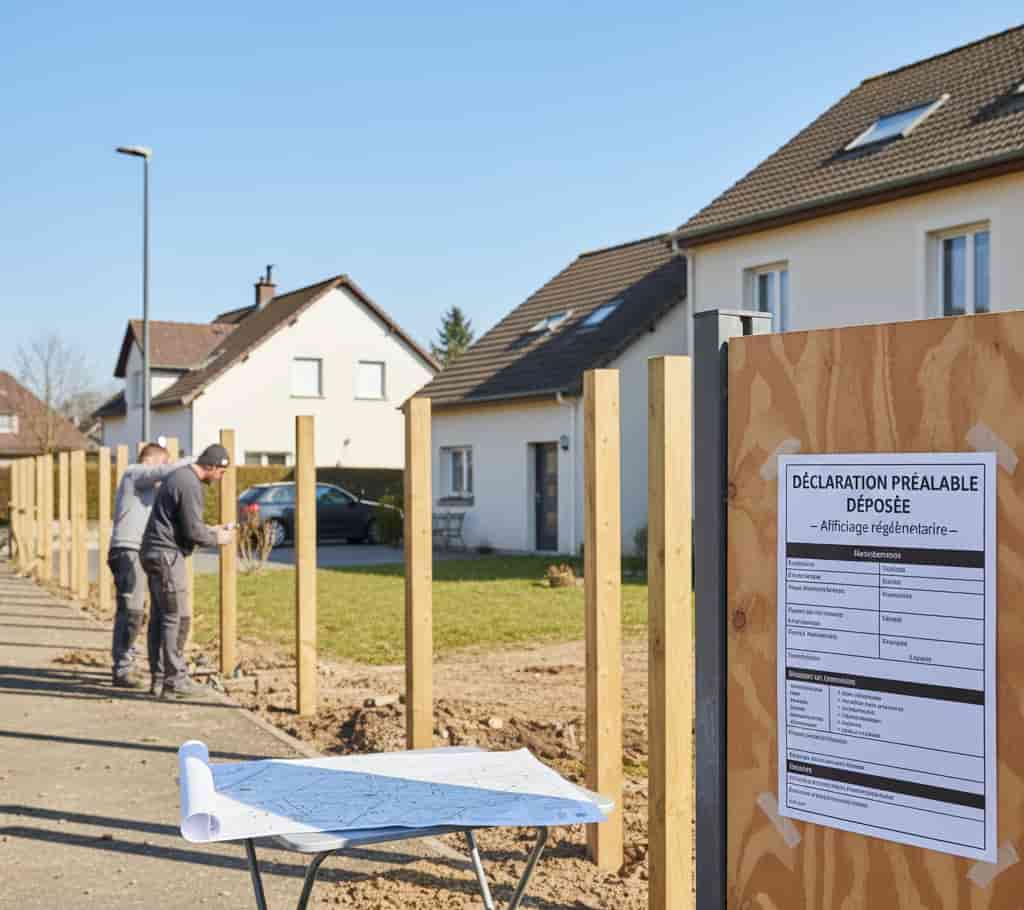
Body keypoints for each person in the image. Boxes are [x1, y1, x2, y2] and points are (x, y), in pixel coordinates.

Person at [140, 444, 235, 698]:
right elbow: (193, 532)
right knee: (177, 618)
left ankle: (159, 680)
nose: (222, 477)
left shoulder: (178, 477)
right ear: (213, 466)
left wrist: (209, 530)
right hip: (167, 558)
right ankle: (175, 681)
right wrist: (219, 539)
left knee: (160, 619)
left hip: (154, 552)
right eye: (222, 472)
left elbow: (184, 524)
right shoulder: (190, 484)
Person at [108, 442, 193, 689]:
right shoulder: (134, 473)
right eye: (165, 463)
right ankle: (122, 668)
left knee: (157, 612)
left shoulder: (153, 490)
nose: (167, 469)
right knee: (132, 610)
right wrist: (193, 461)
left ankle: (158, 671)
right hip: (128, 550)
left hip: (146, 552)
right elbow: (161, 473)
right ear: (153, 460)